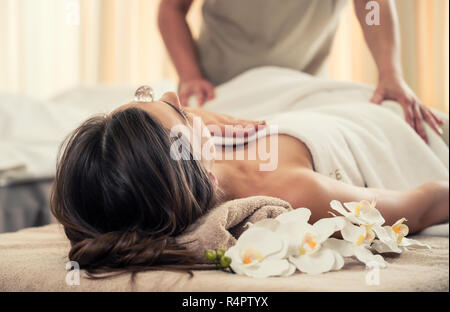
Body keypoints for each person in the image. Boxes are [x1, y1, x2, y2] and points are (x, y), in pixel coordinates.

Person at [51, 90, 449, 274]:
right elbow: (424, 204)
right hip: (385, 125)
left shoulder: (165, 166)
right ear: (200, 170)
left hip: (312, 102)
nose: (176, 94)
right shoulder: (294, 192)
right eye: (179, 110)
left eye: (146, 95)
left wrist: (186, 114)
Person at [158, 0, 444, 142]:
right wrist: (191, 74)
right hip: (219, 90)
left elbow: (370, 6)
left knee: (400, 118)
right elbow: (172, 9)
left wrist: (390, 72)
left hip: (300, 89)